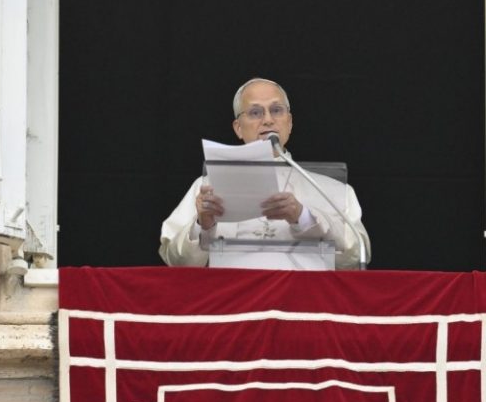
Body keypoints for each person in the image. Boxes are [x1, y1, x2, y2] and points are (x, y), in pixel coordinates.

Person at [159, 78, 371, 269]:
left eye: (277, 110)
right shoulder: (206, 187)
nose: (268, 120)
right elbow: (176, 262)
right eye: (255, 112)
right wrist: (203, 224)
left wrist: (303, 218)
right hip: (233, 304)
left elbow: (355, 259)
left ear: (290, 122)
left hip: (304, 303)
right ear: (238, 128)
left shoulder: (331, 189)